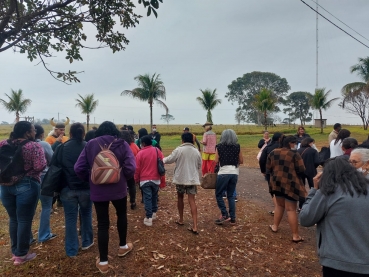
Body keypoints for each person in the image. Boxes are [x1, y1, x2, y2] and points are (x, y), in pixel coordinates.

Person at [74, 121, 135, 274]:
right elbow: (131, 167)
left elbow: (78, 168)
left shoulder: (91, 144)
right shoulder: (121, 143)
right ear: (115, 131)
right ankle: (122, 247)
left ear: (99, 131)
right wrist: (123, 178)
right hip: (119, 188)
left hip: (98, 190)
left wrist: (90, 180)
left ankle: (103, 262)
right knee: (121, 215)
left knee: (102, 223)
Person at [299, 158, 369, 276]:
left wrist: (314, 191)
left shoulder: (329, 191)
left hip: (337, 262)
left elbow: (305, 218)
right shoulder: (366, 188)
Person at [0, 121, 46, 265]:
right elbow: (40, 166)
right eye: (32, 130)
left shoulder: (2, 144)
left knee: (13, 219)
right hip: (27, 184)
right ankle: (21, 255)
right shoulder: (33, 146)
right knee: (24, 220)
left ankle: (15, 252)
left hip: (5, 186)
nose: (34, 132)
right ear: (27, 132)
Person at [56, 123, 93, 257]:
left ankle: (71, 250)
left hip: (67, 189)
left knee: (70, 219)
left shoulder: (62, 147)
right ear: (83, 133)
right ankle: (87, 241)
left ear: (69, 133)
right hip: (86, 188)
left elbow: (56, 167)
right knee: (87, 214)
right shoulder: (89, 146)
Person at [266, 135, 305, 242]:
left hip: (276, 183)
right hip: (291, 184)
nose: (296, 145)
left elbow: (268, 168)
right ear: (290, 143)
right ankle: (295, 236)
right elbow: (301, 169)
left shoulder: (273, 152)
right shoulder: (294, 154)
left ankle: (275, 226)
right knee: (291, 209)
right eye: (295, 143)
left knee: (279, 205)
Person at [163, 132, 202, 234]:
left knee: (180, 197)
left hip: (180, 178)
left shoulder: (179, 150)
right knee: (192, 200)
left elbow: (168, 160)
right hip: (192, 179)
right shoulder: (196, 151)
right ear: (193, 140)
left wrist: (160, 159)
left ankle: (181, 219)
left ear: (182, 140)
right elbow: (199, 165)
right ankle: (195, 225)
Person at [214, 129, 243, 225]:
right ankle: (233, 218)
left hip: (223, 173)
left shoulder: (219, 147)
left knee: (218, 194)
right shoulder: (237, 146)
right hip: (234, 172)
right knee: (230, 195)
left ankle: (224, 214)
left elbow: (216, 160)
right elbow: (241, 161)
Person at [134, 135, 164, 227]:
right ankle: (154, 212)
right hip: (156, 178)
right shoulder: (157, 150)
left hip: (144, 179)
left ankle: (148, 217)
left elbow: (137, 168)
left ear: (143, 143)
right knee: (154, 196)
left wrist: (136, 179)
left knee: (147, 198)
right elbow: (162, 162)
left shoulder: (140, 153)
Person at [34, 124, 56, 243]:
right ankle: (43, 235)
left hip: (27, 179)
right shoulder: (43, 144)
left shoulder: (21, 145)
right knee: (46, 206)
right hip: (44, 177)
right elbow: (52, 159)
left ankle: (27, 238)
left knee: (27, 211)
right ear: (42, 134)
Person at [259, 132, 283, 215]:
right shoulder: (284, 147)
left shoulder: (268, 147)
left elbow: (262, 159)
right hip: (284, 171)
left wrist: (263, 170)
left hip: (271, 171)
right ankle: (283, 207)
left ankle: (277, 208)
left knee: (273, 190)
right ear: (280, 139)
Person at [297, 137, 320, 210]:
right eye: (312, 142)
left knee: (301, 188)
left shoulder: (297, 151)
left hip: (300, 171)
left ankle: (301, 206)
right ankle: (314, 205)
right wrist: (313, 166)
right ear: (309, 143)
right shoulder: (313, 151)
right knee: (314, 187)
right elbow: (317, 161)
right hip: (311, 170)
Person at [121, 130, 140, 210]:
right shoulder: (134, 146)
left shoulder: (120, 146)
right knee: (132, 186)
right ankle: (133, 202)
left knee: (122, 187)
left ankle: (122, 203)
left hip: (121, 170)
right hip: (132, 169)